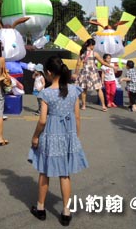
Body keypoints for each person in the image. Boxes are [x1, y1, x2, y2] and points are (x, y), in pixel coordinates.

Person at [27, 54, 88, 227]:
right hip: (68, 134)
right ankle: (66, 212)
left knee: (44, 171)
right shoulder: (73, 90)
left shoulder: (46, 93)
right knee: (64, 174)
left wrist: (35, 136)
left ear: (48, 72)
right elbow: (77, 116)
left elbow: (42, 120)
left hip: (50, 135)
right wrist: (75, 136)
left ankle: (40, 208)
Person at [74, 38, 113, 111]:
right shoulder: (94, 53)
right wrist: (112, 66)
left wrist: (76, 73)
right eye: (94, 45)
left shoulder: (82, 53)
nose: (94, 47)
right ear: (91, 45)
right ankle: (104, 106)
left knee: (84, 89)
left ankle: (83, 105)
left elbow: (78, 64)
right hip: (93, 73)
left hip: (84, 72)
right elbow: (103, 62)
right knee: (99, 89)